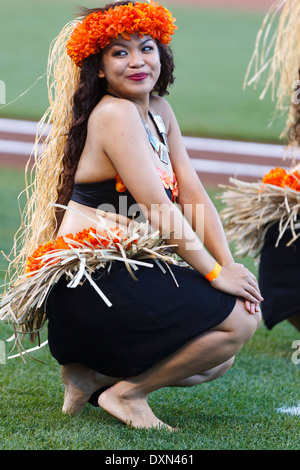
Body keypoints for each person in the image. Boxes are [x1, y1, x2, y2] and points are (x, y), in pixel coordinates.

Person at [1, 1, 262, 430]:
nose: (138, 61)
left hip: (123, 276)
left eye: (147, 47)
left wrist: (229, 262)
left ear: (162, 55)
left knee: (217, 361)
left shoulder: (159, 111)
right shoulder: (114, 113)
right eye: (120, 52)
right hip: (90, 284)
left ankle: (91, 378)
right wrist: (216, 276)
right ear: (99, 68)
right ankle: (127, 395)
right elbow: (161, 208)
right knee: (236, 322)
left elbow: (193, 194)